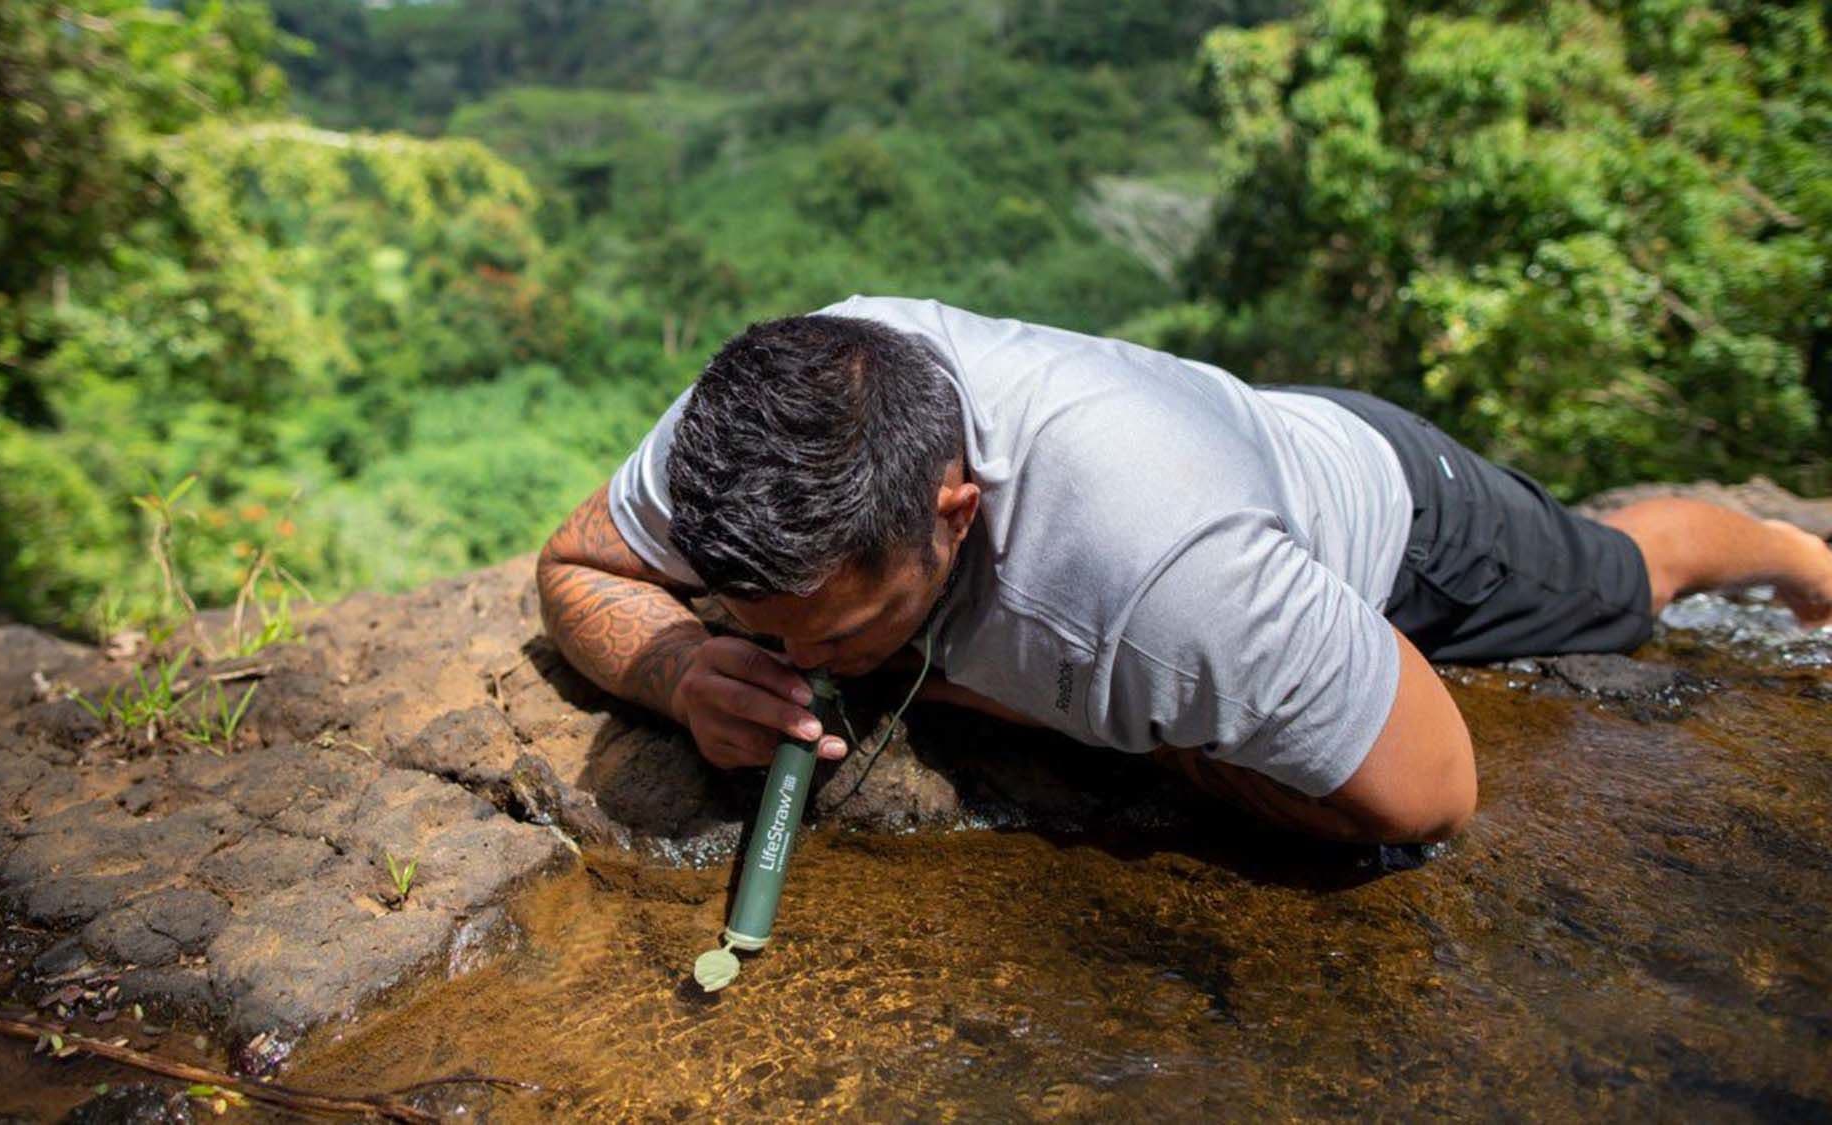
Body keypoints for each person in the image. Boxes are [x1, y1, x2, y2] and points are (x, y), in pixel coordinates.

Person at [536, 296, 1832, 844]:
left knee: (1628, 578)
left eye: (842, 632)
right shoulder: (756, 430)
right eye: (771, 629)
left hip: (1400, 519)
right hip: (1222, 445)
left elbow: (1433, 791)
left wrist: (1141, 737)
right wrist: (683, 666)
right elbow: (576, 563)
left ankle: (1791, 551)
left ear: (955, 511)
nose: (802, 664)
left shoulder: (1161, 589)